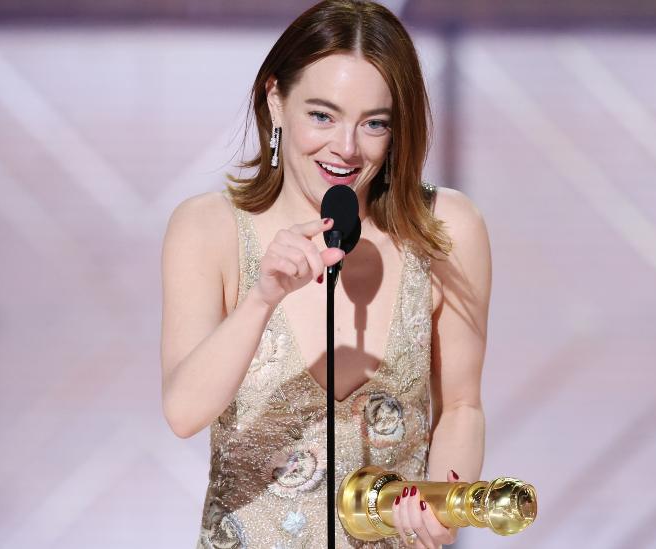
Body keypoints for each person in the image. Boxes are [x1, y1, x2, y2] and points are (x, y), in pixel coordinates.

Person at [160, 1, 491, 547]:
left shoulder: (447, 228)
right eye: (322, 115)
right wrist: (261, 298)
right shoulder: (207, 228)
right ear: (276, 100)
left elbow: (461, 405)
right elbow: (183, 412)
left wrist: (442, 508)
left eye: (374, 124)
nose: (345, 147)